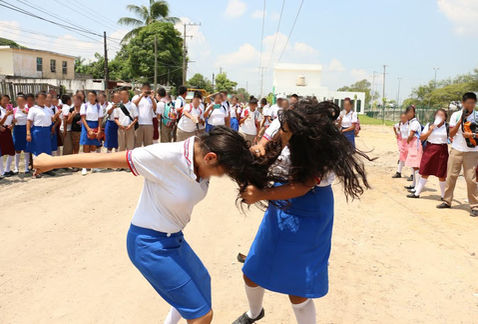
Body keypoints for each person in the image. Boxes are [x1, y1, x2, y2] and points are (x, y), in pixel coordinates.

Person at [32, 126, 258, 324]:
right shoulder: (165, 157)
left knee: (201, 285)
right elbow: (108, 159)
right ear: (209, 157)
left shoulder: (206, 157)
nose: (220, 177)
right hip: (149, 245)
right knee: (201, 315)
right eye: (221, 172)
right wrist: (50, 162)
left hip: (174, 240)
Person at [234, 100, 372, 324]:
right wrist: (260, 147)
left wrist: (261, 194)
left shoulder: (318, 153)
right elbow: (270, 141)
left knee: (298, 290)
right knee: (252, 271)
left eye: (286, 131)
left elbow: (302, 186)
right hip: (281, 207)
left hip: (310, 214)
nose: (282, 133)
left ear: (302, 136)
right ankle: (254, 313)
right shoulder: (289, 130)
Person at [437, 92, 478, 216]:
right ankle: (447, 201)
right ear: (463, 103)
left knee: (471, 179)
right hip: (456, 150)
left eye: (473, 103)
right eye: (468, 103)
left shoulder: (477, 116)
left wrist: (472, 135)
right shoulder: (455, 115)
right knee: (451, 176)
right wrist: (461, 120)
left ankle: (474, 205)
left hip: (472, 152)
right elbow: (451, 134)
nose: (471, 105)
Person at [407, 109, 449, 199]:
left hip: (442, 150)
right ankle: (417, 193)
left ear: (445, 118)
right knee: (425, 171)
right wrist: (430, 130)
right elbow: (421, 137)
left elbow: (452, 137)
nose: (439, 117)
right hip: (430, 149)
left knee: (441, 174)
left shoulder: (447, 127)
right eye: (438, 115)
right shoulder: (429, 125)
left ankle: (443, 196)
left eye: (442, 115)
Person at [26, 92, 53, 177]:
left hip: (46, 131)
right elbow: (29, 121)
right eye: (40, 98)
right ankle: (36, 170)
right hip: (38, 130)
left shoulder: (48, 109)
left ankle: (47, 169)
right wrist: (28, 133)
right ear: (36, 99)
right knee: (37, 151)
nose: (42, 100)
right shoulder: (33, 109)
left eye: (44, 99)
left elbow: (51, 120)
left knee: (47, 150)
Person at [79, 90, 103, 176]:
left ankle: (94, 166)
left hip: (95, 125)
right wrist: (88, 129)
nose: (91, 97)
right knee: (86, 145)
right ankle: (84, 167)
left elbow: (100, 119)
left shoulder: (99, 107)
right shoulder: (84, 106)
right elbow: (83, 118)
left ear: (95, 97)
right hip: (86, 126)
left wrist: (99, 129)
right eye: (89, 96)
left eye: (92, 96)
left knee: (93, 145)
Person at [403, 106, 423, 192]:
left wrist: (407, 141)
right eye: (407, 112)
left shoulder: (414, 123)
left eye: (410, 112)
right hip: (413, 145)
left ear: (414, 113)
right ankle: (414, 184)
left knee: (416, 166)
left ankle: (416, 187)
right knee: (413, 166)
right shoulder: (411, 122)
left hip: (415, 145)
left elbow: (411, 135)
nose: (409, 114)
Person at [133, 83, 157, 147]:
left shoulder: (152, 98)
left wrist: (152, 99)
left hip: (149, 124)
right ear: (141, 89)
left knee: (148, 144)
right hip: (138, 123)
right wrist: (141, 96)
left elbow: (155, 109)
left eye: (148, 89)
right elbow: (133, 105)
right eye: (145, 89)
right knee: (137, 143)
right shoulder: (136, 97)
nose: (147, 91)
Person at [12, 94, 30, 174]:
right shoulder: (14, 110)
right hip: (17, 130)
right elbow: (11, 120)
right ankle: (16, 168)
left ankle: (26, 168)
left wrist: (27, 113)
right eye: (18, 101)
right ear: (16, 101)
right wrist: (13, 121)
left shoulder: (28, 109)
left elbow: (31, 119)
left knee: (26, 149)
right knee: (17, 149)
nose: (20, 102)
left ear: (25, 101)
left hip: (25, 129)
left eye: (22, 101)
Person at [0, 95, 15, 177]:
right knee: (1, 152)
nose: (6, 102)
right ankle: (2, 172)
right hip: (1, 131)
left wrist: (12, 124)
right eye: (4, 100)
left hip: (8, 130)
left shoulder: (10, 109)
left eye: (8, 100)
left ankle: (7, 169)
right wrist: (6, 115)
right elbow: (0, 123)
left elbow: (13, 120)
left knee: (11, 151)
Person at [392, 113, 409, 178]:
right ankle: (398, 172)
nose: (402, 119)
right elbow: (394, 127)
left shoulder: (409, 124)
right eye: (401, 118)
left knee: (410, 158)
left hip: (409, 142)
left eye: (404, 118)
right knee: (401, 157)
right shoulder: (400, 124)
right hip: (403, 142)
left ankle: (412, 175)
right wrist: (396, 133)